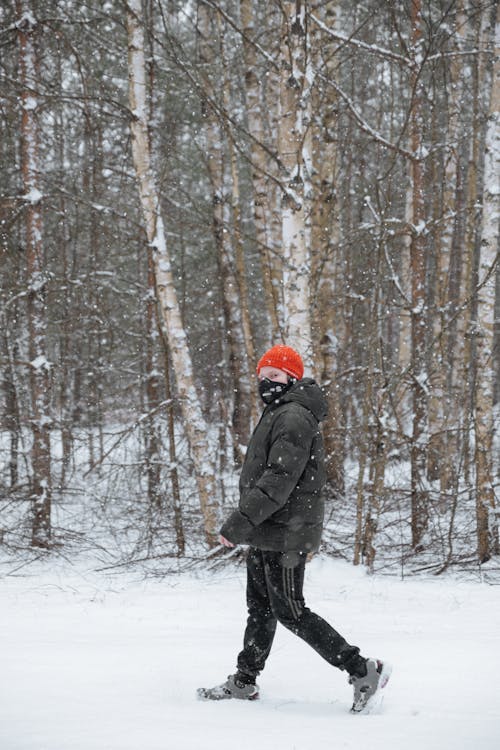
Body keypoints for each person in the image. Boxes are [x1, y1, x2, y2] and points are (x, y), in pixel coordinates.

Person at [197, 344, 391, 713]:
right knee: (260, 608)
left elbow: (278, 480)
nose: (265, 383)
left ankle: (364, 668)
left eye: (273, 376)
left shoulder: (294, 416)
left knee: (291, 611)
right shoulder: (278, 412)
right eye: (261, 377)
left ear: (291, 378)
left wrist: (238, 524)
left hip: (287, 533)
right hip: (269, 530)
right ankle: (244, 680)